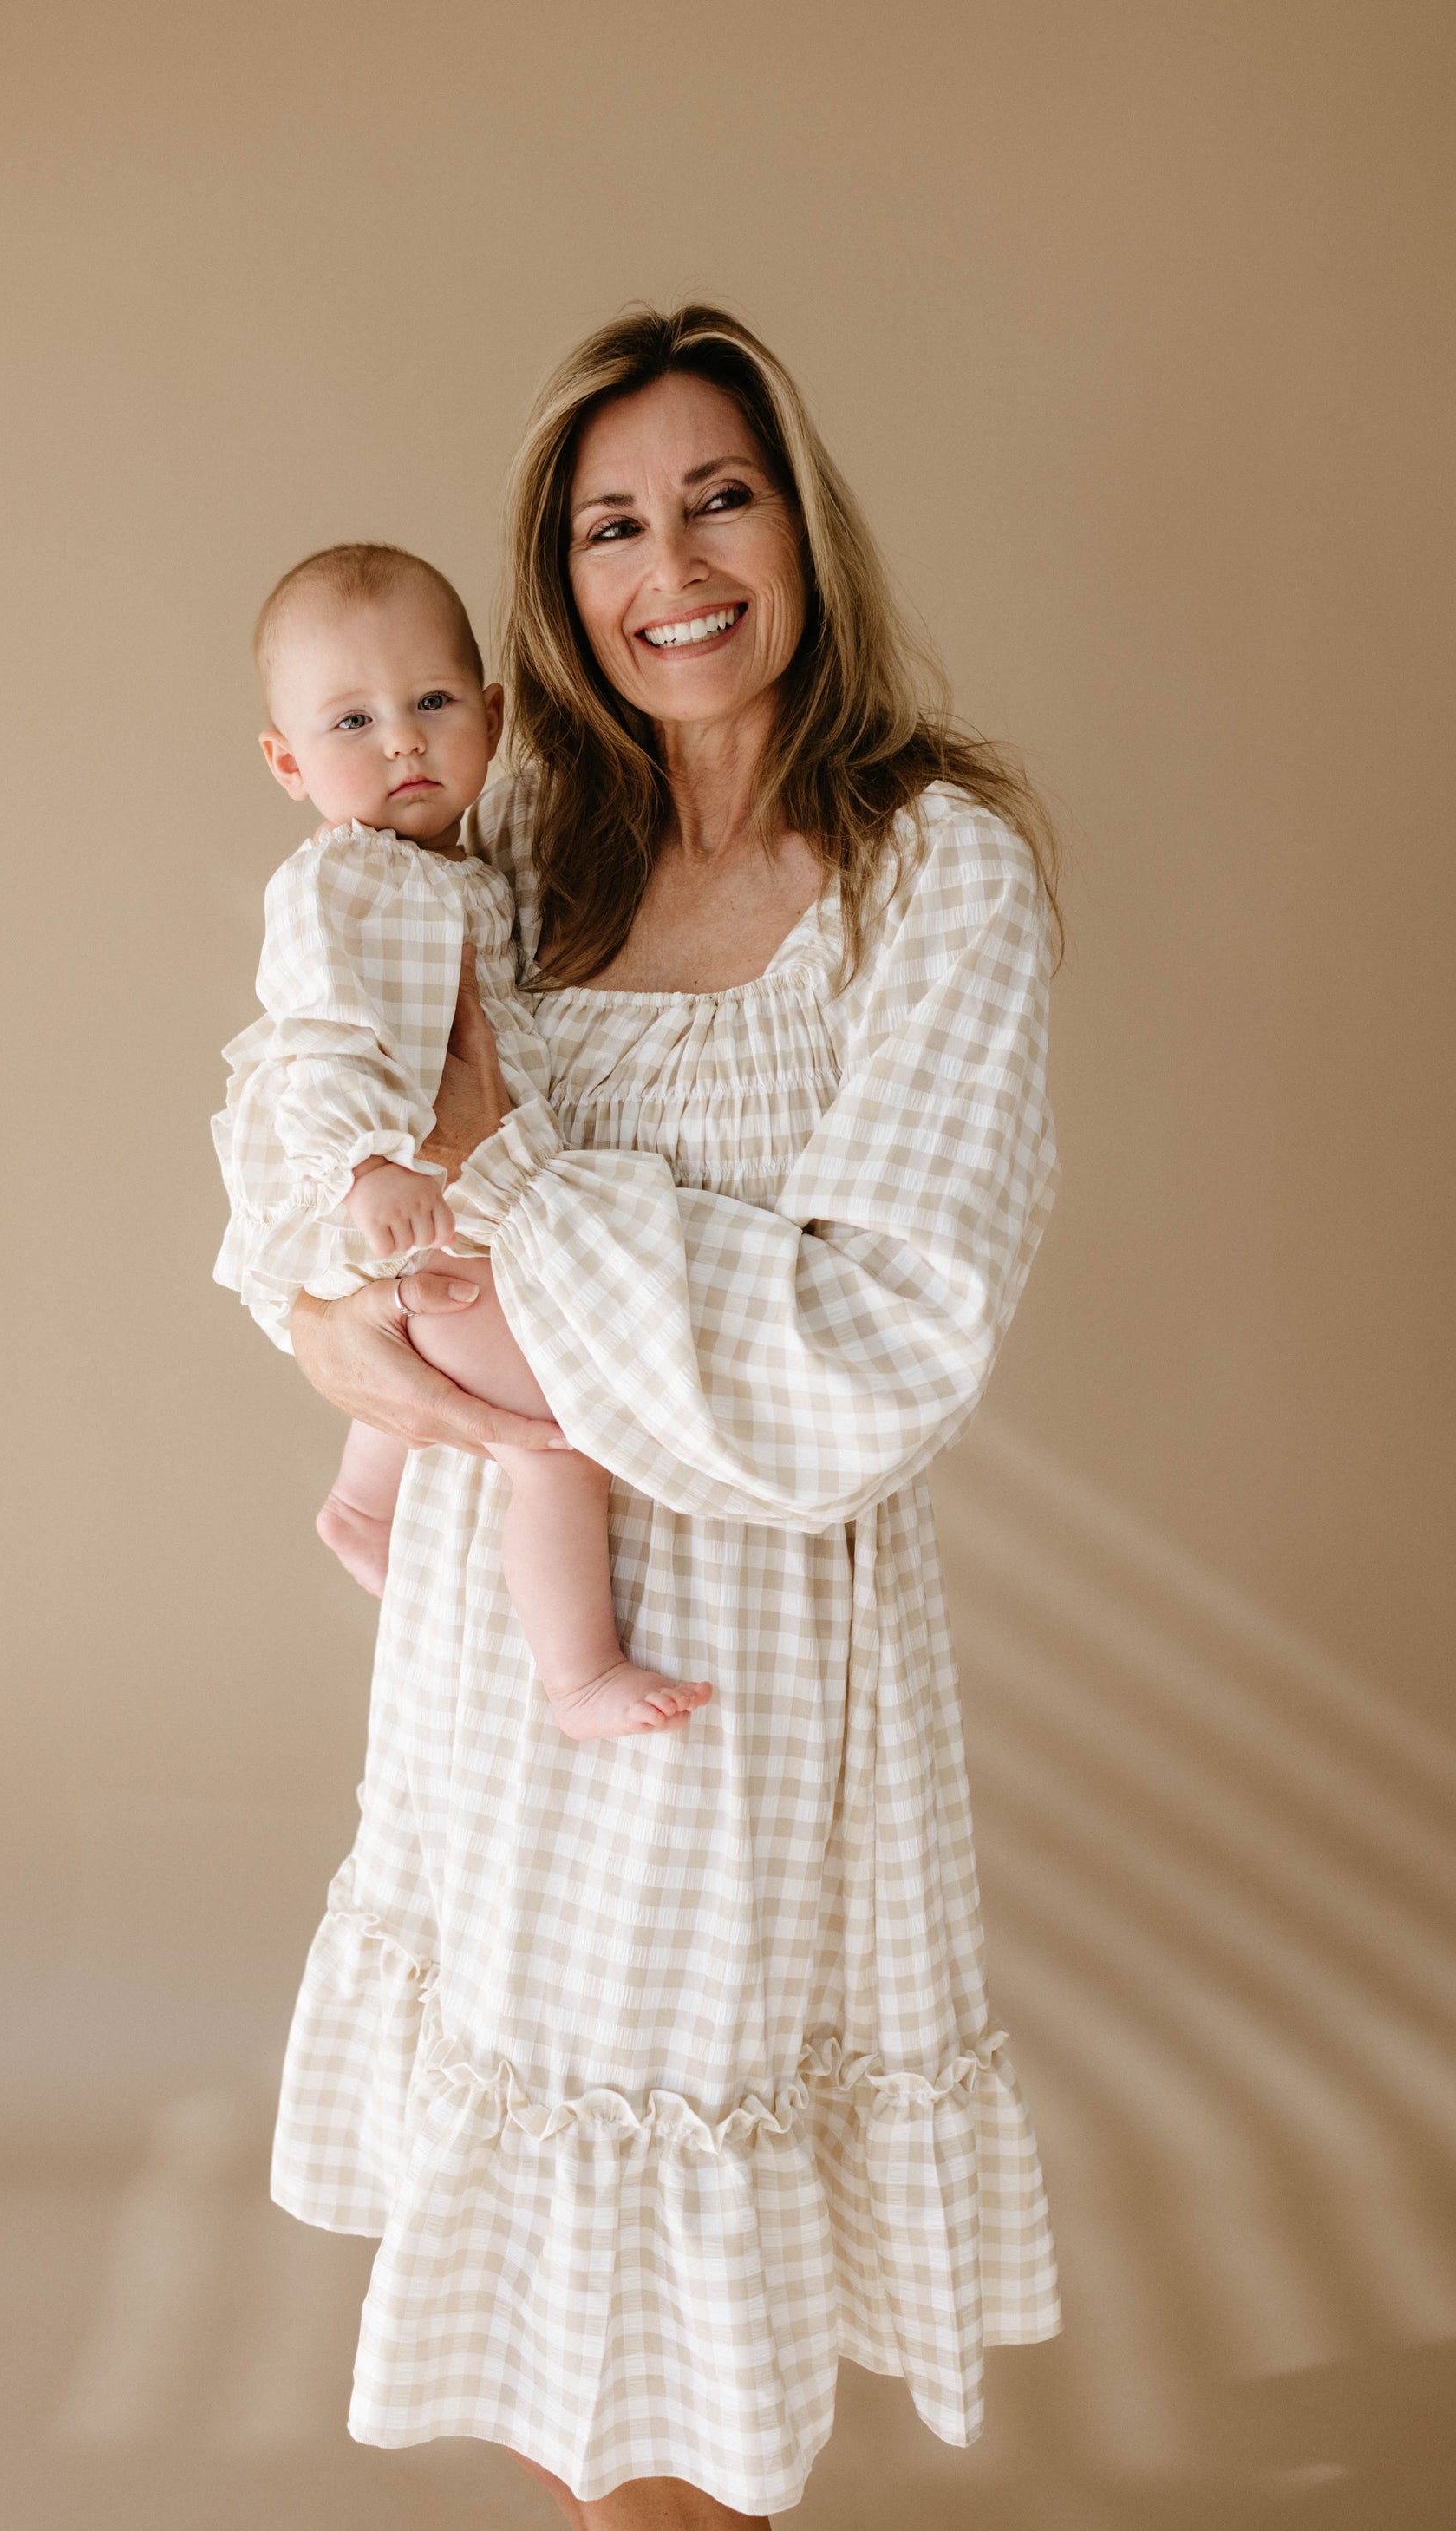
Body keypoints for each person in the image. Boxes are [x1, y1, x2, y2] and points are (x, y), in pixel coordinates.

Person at [216, 303, 1064, 2528]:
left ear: (797, 525)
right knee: (532, 2294)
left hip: (731, 1679)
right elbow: (306, 1108)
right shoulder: (521, 865)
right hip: (496, 1663)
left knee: (676, 2364)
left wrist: (504, 1185)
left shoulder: (928, 872)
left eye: (719, 494)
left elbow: (872, 1345)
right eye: (609, 522)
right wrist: (327, 1317)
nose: (668, 561)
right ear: (555, 583)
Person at [212, 541, 710, 1739]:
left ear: (489, 717)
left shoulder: (459, 874)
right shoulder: (342, 885)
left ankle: (361, 1500)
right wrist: (364, 1169)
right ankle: (580, 1673)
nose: (402, 742)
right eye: (352, 720)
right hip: (388, 1193)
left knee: (462, 1342)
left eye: (433, 703)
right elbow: (317, 1041)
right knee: (556, 1425)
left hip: (445, 1198)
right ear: (286, 761)